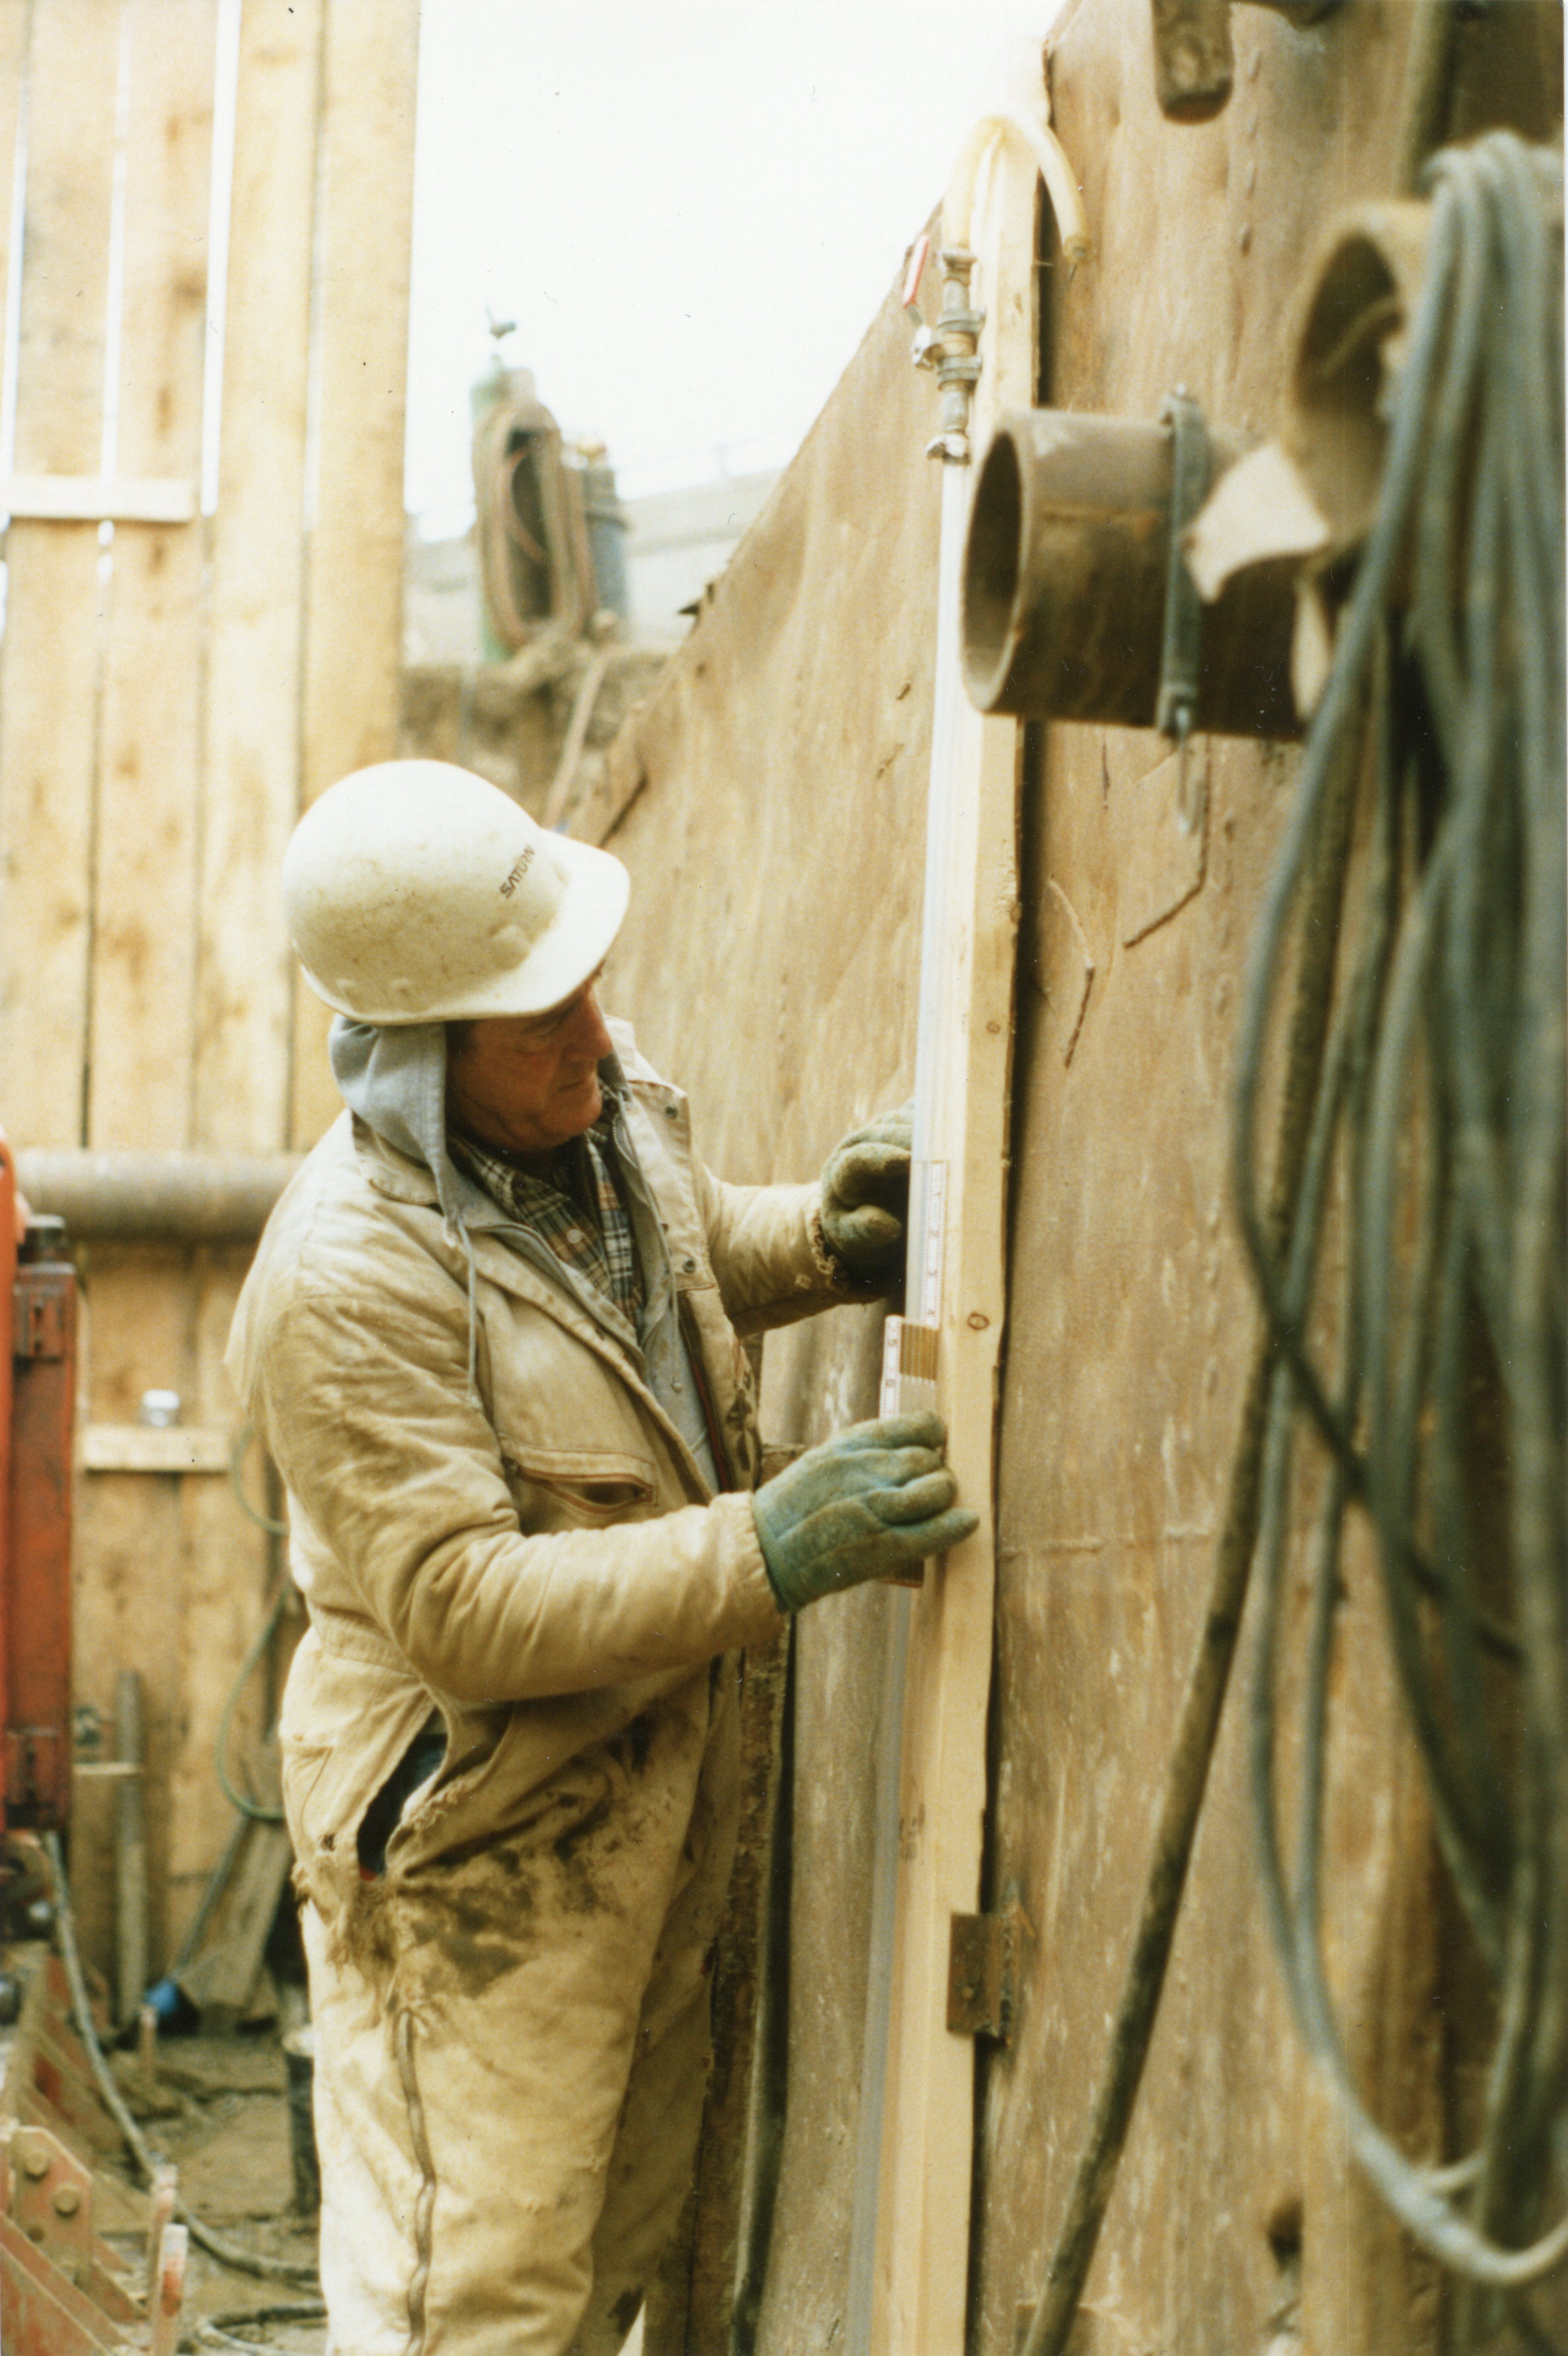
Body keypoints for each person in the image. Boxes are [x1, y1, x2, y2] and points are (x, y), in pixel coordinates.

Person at [228, 759, 977, 2356]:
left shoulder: (591, 1096)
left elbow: (673, 1251)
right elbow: (468, 1613)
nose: (588, 1034)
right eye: (534, 1019)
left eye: (583, 988)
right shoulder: (350, 1276)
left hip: (639, 1792)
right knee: (475, 2303)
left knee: (610, 2259)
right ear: (421, 1049)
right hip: (479, 1837)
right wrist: (768, 1546)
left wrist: (820, 1242)